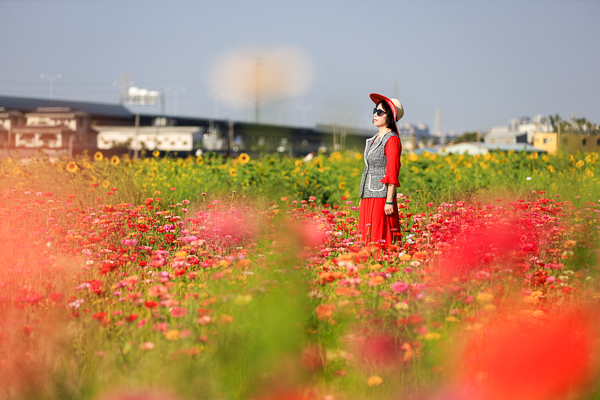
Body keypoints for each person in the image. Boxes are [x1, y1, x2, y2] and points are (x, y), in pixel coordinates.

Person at [358, 93, 403, 245]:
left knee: (378, 235)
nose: (375, 115)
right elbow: (368, 169)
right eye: (374, 111)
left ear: (389, 116)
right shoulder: (373, 139)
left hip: (381, 197)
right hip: (368, 195)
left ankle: (382, 263)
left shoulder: (391, 139)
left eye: (379, 112)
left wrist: (389, 201)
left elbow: (392, 170)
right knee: (366, 235)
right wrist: (362, 195)